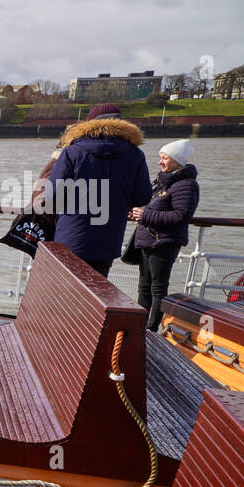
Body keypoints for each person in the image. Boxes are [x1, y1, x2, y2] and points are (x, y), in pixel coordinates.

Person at [44, 103, 153, 277]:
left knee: (67, 295)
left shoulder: (73, 151)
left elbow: (52, 196)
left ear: (89, 124)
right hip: (108, 239)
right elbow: (142, 196)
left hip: (72, 236)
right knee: (96, 293)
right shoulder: (135, 155)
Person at [130, 139, 199, 331]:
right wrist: (138, 212)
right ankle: (139, 326)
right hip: (148, 241)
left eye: (164, 158)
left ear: (178, 160)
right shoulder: (163, 182)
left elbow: (181, 215)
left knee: (158, 288)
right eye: (160, 157)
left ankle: (151, 329)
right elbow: (156, 207)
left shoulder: (186, 185)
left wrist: (145, 214)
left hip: (164, 243)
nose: (160, 162)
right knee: (144, 287)